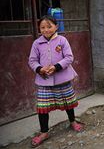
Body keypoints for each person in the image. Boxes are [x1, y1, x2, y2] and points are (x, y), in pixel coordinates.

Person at [28, 15, 83, 147]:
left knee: (68, 103)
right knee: (42, 108)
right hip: (44, 81)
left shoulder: (62, 40)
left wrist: (56, 67)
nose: (46, 29)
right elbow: (32, 60)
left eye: (49, 26)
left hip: (62, 79)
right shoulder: (37, 43)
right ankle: (44, 132)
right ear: (39, 29)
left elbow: (69, 57)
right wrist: (40, 69)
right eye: (42, 27)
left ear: (56, 27)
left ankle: (72, 121)